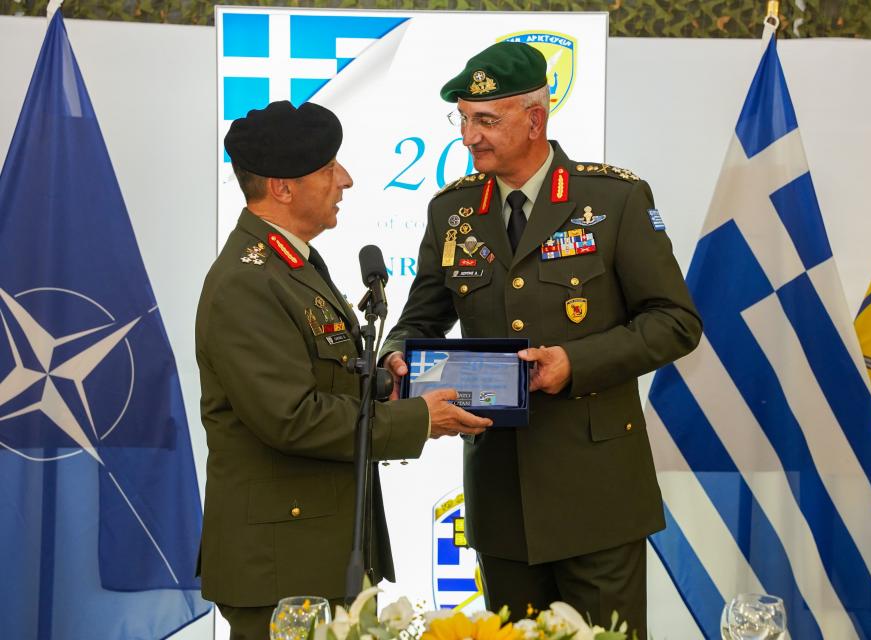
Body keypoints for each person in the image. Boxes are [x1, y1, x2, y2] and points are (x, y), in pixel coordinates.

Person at [380, 42, 701, 634]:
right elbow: (419, 321)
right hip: (501, 496)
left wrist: (574, 363)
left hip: (599, 495)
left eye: (486, 120)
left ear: (535, 119)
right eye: (463, 120)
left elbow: (675, 321)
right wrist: (397, 355)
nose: (469, 137)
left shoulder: (613, 201)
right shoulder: (453, 212)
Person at [196, 100, 491, 640]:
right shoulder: (247, 281)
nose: (346, 180)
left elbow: (319, 377)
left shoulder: (291, 264)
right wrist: (418, 418)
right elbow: (291, 418)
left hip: (323, 553)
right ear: (282, 188)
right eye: (330, 168)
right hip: (283, 567)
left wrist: (385, 381)